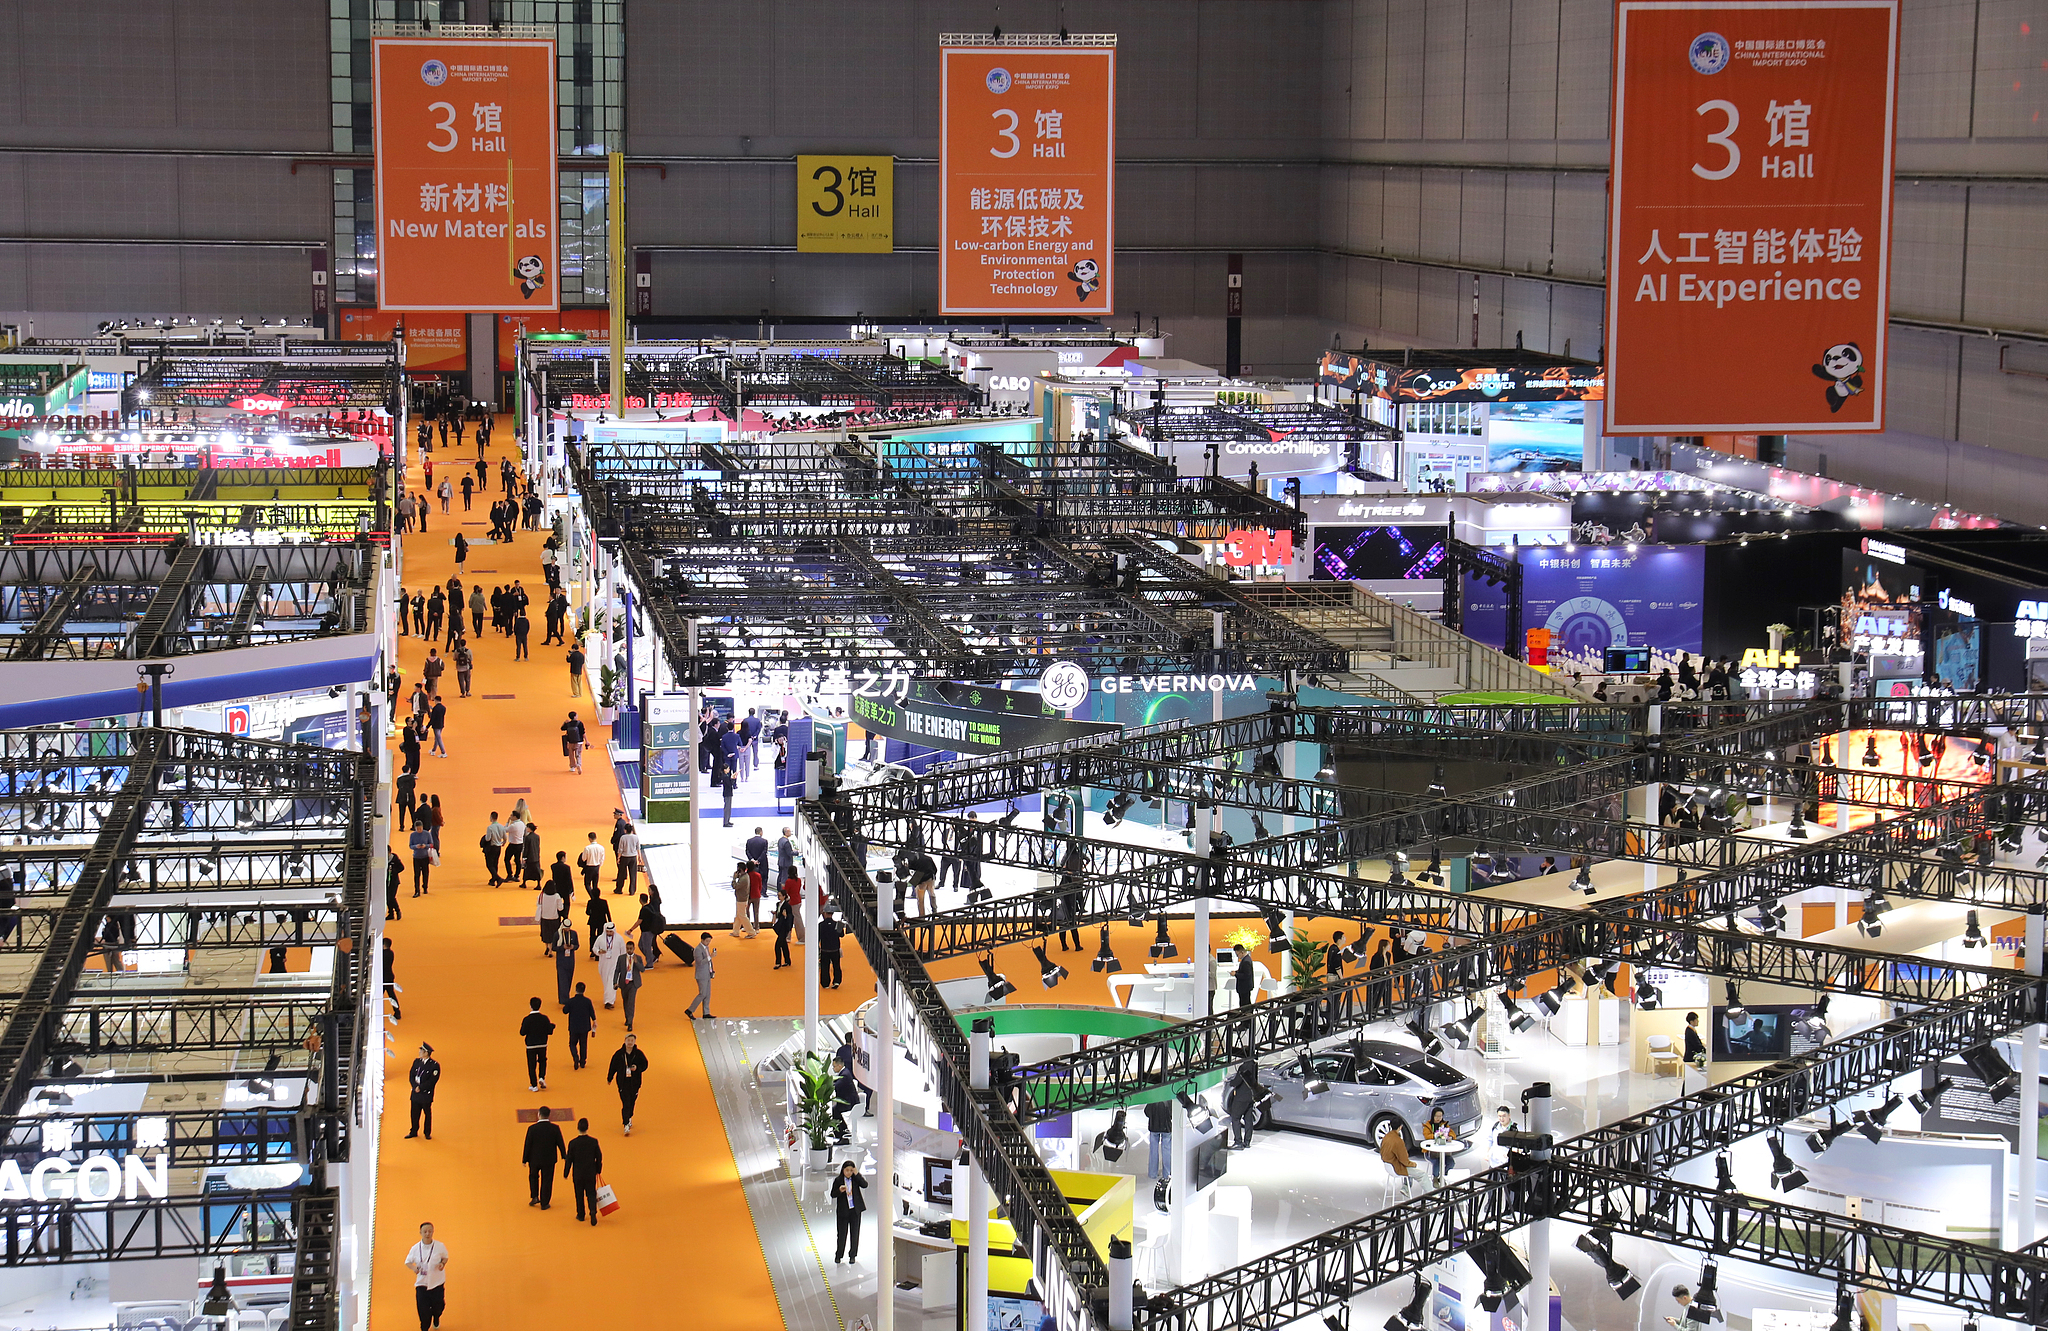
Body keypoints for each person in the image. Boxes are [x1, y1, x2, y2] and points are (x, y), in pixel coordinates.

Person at [404, 1222, 449, 1331]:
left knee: (439, 1307)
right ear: (420, 1233)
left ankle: (436, 1317)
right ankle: (424, 1328)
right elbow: (408, 1262)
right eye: (425, 1231)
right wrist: (414, 1268)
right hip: (422, 1283)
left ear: (433, 1231)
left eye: (430, 1231)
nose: (427, 1234)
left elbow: (445, 1257)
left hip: (437, 1282)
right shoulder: (415, 1248)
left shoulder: (440, 1246)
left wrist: (442, 1264)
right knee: (423, 1312)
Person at [522, 1105, 566, 1210]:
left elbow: (528, 1144)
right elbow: (560, 1143)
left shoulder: (532, 1129)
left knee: (533, 1177)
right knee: (547, 1180)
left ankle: (535, 1196)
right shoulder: (555, 1128)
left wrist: (525, 1159)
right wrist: (564, 1155)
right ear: (548, 1115)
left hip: (534, 1159)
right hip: (549, 1160)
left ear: (539, 1114)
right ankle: (545, 1203)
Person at [564, 1119, 603, 1226]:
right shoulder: (593, 1142)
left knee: (579, 1194)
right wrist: (598, 1169)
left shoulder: (573, 1143)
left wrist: (566, 1172)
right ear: (587, 1127)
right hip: (590, 1172)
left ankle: (581, 1214)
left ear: (578, 1128)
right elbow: (599, 1157)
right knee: (591, 1193)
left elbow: (569, 1159)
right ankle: (593, 1211)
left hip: (578, 1173)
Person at [607, 1031, 648, 1134]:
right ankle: (626, 1124)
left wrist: (637, 1068)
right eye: (628, 1040)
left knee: (632, 1101)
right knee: (626, 1102)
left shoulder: (638, 1054)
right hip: (622, 1082)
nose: (630, 1042)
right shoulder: (619, 1054)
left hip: (635, 1082)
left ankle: (629, 1116)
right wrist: (609, 1077)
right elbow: (613, 1066)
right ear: (625, 1041)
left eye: (632, 1041)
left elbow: (645, 1064)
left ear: (634, 1042)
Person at [830, 1161, 868, 1264]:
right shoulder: (838, 1180)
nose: (849, 1173)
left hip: (855, 1211)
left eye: (851, 1170)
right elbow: (832, 1194)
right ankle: (839, 1255)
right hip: (843, 1211)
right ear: (843, 1170)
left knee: (855, 1233)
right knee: (842, 1234)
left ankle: (852, 1255)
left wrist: (857, 1174)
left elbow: (865, 1185)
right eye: (847, 1170)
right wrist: (839, 1190)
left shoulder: (855, 1179)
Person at [1223, 1058, 1264, 1148]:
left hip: (1241, 1097)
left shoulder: (1244, 1066)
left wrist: (1231, 1082)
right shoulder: (1254, 1065)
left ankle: (1238, 1142)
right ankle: (1247, 1142)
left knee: (1235, 1118)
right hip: (1251, 1097)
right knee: (1248, 1120)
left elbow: (1237, 1081)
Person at [520, 996, 554, 1092]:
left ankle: (534, 1085)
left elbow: (522, 1032)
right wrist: (551, 1026)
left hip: (531, 1045)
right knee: (543, 1061)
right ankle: (542, 1077)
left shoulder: (527, 1019)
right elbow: (549, 1031)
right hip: (542, 1044)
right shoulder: (544, 1018)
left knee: (532, 1064)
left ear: (530, 1006)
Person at [405, 1042, 439, 1139]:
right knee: (414, 1113)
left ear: (426, 1053)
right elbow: (411, 1075)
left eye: (421, 1051)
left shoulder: (434, 1065)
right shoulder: (416, 1062)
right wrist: (414, 1085)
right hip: (415, 1093)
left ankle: (427, 1132)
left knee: (427, 1113)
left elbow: (432, 1081)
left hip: (425, 1094)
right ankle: (414, 1131)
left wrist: (421, 1087)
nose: (419, 1052)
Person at [593, 920, 626, 1008]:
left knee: (612, 981)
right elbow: (594, 948)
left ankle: (609, 1002)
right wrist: (599, 951)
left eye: (611, 931)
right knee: (606, 982)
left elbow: (623, 952)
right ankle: (610, 998)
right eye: (607, 931)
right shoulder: (600, 938)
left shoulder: (619, 939)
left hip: (615, 964)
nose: (609, 933)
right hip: (604, 964)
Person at [615, 941, 646, 1031]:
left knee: (631, 1003)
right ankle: (627, 1018)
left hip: (633, 983)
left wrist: (636, 962)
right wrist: (615, 982)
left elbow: (643, 970)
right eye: (627, 948)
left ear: (634, 948)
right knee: (625, 1001)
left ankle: (630, 1022)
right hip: (624, 983)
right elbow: (617, 970)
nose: (629, 950)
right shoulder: (621, 958)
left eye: (631, 949)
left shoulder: (638, 958)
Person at [686, 930, 717, 1019]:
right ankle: (690, 1010)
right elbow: (700, 962)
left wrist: (711, 970)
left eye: (709, 941)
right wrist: (710, 956)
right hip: (701, 975)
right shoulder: (698, 949)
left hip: (707, 973)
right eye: (707, 941)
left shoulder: (706, 948)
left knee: (707, 993)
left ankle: (706, 1012)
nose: (708, 943)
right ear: (702, 940)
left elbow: (709, 962)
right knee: (702, 994)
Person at [1423, 1106, 1458, 1182]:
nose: (1438, 1118)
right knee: (1437, 1162)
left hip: (1444, 1152)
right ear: (1433, 1116)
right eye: (1436, 1116)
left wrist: (1449, 1137)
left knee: (1451, 1162)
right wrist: (1437, 1135)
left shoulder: (1444, 1125)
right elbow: (1427, 1136)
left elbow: (1453, 1134)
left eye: (1440, 1116)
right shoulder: (1428, 1125)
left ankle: (1443, 1177)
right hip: (1431, 1153)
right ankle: (1435, 1178)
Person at [1378, 1121, 1415, 1189]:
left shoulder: (1386, 1137)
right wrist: (1413, 1164)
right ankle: (1406, 1188)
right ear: (1400, 1127)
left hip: (1388, 1166)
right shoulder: (1398, 1141)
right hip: (1395, 1167)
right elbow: (1404, 1160)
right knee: (1422, 1175)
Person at [536, 874, 566, 956]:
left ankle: (547, 948)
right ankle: (550, 950)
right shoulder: (557, 896)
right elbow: (560, 908)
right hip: (554, 917)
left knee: (545, 934)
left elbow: (538, 904)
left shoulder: (541, 895)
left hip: (544, 917)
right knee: (553, 934)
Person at [730, 860, 759, 938]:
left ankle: (751, 932)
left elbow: (735, 886)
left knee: (742, 916)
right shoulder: (745, 876)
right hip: (742, 898)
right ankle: (735, 931)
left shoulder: (743, 879)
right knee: (738, 916)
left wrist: (734, 879)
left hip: (741, 900)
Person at [554, 921, 580, 1009]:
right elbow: (554, 947)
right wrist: (562, 948)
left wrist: (573, 947)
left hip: (570, 960)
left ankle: (564, 996)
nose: (567, 929)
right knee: (562, 980)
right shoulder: (557, 934)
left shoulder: (573, 933)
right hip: (561, 961)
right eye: (566, 928)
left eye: (569, 928)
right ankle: (564, 999)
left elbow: (577, 945)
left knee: (569, 979)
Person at [1144, 1098, 1173, 1178]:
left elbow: (1147, 1112)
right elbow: (1172, 1113)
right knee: (1166, 1151)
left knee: (1153, 1151)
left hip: (1153, 1127)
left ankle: (1152, 1173)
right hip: (1166, 1128)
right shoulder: (1168, 1100)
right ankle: (1167, 1174)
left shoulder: (1153, 1099)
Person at [817, 909, 844, 989]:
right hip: (835, 948)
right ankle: (837, 981)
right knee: (836, 966)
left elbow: (818, 937)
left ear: (825, 914)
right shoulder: (837, 924)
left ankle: (825, 983)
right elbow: (841, 935)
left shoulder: (821, 925)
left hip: (825, 949)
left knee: (825, 966)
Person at [408, 821, 435, 897]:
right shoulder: (412, 835)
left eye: (420, 828)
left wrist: (425, 846)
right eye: (417, 829)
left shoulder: (427, 834)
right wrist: (416, 846)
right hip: (416, 857)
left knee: (425, 873)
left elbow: (431, 844)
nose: (419, 830)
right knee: (416, 874)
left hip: (425, 857)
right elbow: (410, 845)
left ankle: (425, 887)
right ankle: (417, 890)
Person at [481, 811, 507, 886]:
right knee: (495, 863)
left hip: (491, 847)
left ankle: (497, 878)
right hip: (498, 847)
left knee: (489, 864)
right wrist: (504, 842)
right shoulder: (501, 826)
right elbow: (505, 837)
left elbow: (488, 838)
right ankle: (492, 880)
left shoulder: (490, 828)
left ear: (491, 817)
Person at [771, 891, 795, 969]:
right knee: (784, 945)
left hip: (784, 928)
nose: (779, 897)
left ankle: (778, 962)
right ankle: (787, 961)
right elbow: (779, 914)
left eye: (780, 895)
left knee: (777, 946)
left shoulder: (787, 906)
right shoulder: (778, 904)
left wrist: (786, 916)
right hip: (780, 926)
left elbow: (790, 918)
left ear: (784, 896)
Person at [383, 937, 402, 1021]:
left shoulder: (382, 954)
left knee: (380, 995)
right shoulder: (391, 953)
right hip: (389, 976)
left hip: (383, 977)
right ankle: (397, 1012)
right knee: (391, 995)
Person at [1233, 944, 1257, 1009]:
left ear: (1242, 952)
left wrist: (1235, 974)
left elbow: (1246, 975)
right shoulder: (1246, 960)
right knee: (1244, 1003)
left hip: (1244, 987)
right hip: (1244, 987)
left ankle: (1246, 1018)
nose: (1237, 956)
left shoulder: (1246, 961)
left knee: (1245, 1005)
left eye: (1237, 954)